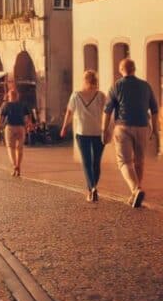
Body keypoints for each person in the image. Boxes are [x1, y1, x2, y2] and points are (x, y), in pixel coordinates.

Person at [102, 58, 159, 208]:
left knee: (124, 161)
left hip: (123, 127)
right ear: (134, 69)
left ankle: (136, 189)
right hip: (142, 127)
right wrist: (155, 129)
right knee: (139, 161)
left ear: (121, 70)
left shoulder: (116, 86)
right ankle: (135, 194)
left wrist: (104, 130)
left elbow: (107, 111)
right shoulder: (145, 86)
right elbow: (154, 109)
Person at [61, 70, 107, 202]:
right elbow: (107, 113)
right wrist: (107, 129)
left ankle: (92, 189)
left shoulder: (76, 95)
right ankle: (94, 187)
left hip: (82, 132)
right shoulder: (101, 95)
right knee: (96, 162)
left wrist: (64, 127)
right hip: (98, 132)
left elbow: (69, 113)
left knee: (87, 162)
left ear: (84, 80)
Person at [0, 89, 32, 177]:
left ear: (9, 96)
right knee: (19, 148)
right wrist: (28, 125)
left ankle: (14, 166)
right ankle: (18, 165)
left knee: (10, 147)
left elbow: (1, 117)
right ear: (18, 96)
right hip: (21, 127)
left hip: (10, 128)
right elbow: (27, 118)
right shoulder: (23, 105)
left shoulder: (5, 105)